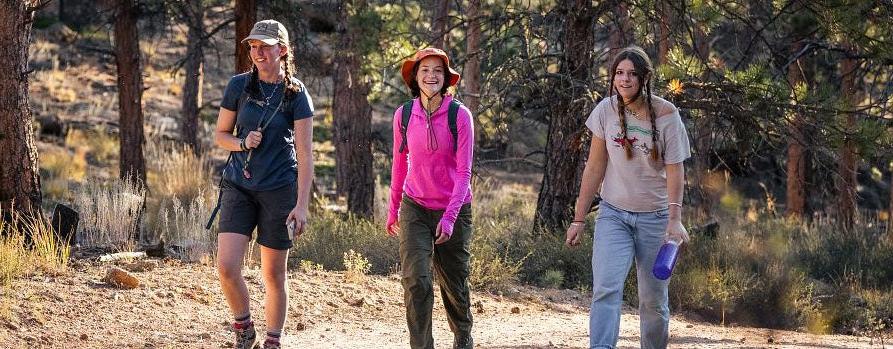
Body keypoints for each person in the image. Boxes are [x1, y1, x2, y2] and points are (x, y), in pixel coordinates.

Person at [564, 45, 691, 349]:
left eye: (632, 74)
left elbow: (676, 171)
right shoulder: (605, 110)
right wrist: (579, 218)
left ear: (644, 78)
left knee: (653, 302)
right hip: (613, 215)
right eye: (619, 73)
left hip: (656, 219)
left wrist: (675, 220)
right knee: (606, 290)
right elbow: (594, 167)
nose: (624, 79)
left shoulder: (666, 115)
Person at [213, 19, 314, 349]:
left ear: (282, 50)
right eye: (253, 46)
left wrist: (301, 205)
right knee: (227, 267)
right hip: (238, 185)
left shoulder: (296, 95)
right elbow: (220, 136)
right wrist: (242, 143)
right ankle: (244, 328)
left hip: (279, 190)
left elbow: (306, 155)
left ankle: (273, 341)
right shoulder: (238, 86)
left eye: (265, 46)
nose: (257, 52)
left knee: (273, 274)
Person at [386, 47, 475, 349]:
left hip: (454, 208)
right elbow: (399, 165)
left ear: (446, 77)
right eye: (425, 70)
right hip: (416, 207)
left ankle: (462, 336)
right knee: (416, 281)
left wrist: (449, 218)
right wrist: (393, 208)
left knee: (455, 284)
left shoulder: (460, 116)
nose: (431, 75)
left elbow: (464, 172)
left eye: (438, 70)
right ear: (415, 76)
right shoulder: (404, 115)